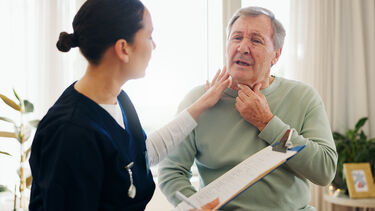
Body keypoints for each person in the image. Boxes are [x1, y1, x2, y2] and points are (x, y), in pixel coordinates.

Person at [28, 0, 228, 210]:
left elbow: (139, 156)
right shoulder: (71, 133)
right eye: (149, 36)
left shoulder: (119, 100)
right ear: (123, 48)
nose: (154, 45)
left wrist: (203, 103)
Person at [158, 6, 338, 211]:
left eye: (256, 40)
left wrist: (267, 122)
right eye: (236, 38)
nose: (243, 47)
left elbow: (325, 171)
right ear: (227, 46)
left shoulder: (303, 97)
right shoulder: (199, 100)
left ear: (276, 55)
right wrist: (197, 207)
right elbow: (171, 171)